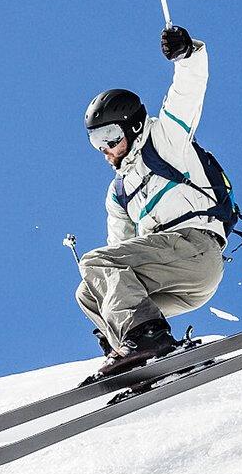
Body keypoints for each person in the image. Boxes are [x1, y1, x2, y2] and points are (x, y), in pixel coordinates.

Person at [77, 24, 226, 376]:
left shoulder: (165, 139)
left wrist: (187, 54)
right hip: (173, 281)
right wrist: (109, 313)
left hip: (195, 249)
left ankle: (147, 338)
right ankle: (135, 355)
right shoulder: (119, 192)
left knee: (95, 262)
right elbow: (118, 255)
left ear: (131, 126)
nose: (105, 149)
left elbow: (188, 92)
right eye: (96, 141)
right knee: (88, 290)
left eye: (109, 136)